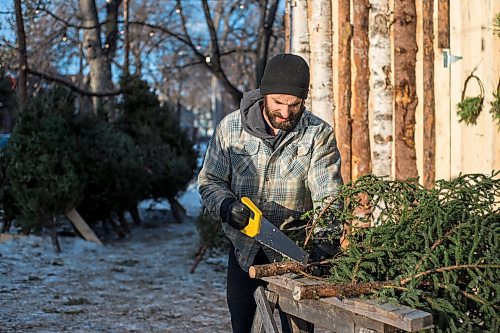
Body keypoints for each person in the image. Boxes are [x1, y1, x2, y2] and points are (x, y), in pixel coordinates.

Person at [198, 53, 343, 333]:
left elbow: (329, 193)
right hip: (244, 253)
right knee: (244, 327)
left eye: (294, 105)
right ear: (264, 94)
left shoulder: (317, 134)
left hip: (296, 254)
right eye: (278, 102)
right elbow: (209, 182)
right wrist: (227, 207)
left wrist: (326, 241)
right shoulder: (231, 128)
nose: (285, 113)